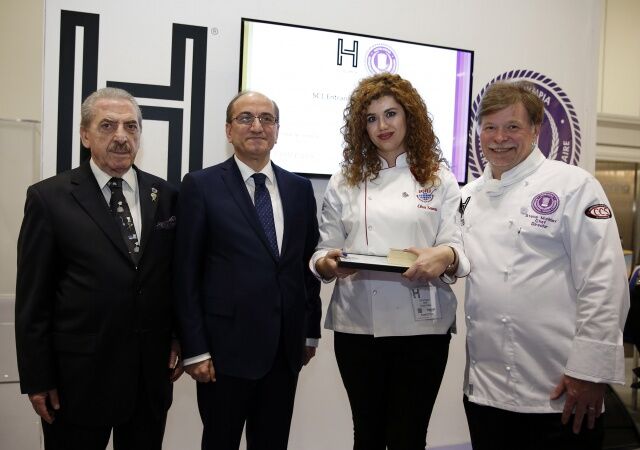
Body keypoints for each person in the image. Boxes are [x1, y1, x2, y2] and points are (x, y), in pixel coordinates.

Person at [460, 80, 630, 450]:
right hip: (485, 392)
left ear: (536, 129)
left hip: (561, 392)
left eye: (512, 127)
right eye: (489, 127)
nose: (499, 138)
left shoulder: (573, 185)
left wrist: (590, 371)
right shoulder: (467, 197)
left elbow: (605, 281)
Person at [15, 87, 183, 450]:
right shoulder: (49, 198)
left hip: (148, 380)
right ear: (85, 134)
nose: (121, 136)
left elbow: (172, 279)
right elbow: (33, 299)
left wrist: (177, 337)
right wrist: (37, 377)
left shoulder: (167, 196)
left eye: (131, 126)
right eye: (107, 125)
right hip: (77, 381)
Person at [311, 73, 470, 450]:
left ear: (409, 117)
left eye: (391, 114)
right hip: (358, 325)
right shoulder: (344, 180)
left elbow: (456, 247)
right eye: (371, 118)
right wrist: (328, 264)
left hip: (423, 328)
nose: (382, 125)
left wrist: (445, 256)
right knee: (366, 434)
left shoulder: (440, 179)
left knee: (409, 437)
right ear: (361, 128)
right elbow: (323, 250)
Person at [173, 91, 321, 450]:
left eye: (266, 119)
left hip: (284, 351)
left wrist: (309, 332)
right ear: (228, 130)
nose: (257, 126)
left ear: (277, 131)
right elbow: (185, 273)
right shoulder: (201, 186)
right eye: (245, 118)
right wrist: (195, 349)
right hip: (223, 353)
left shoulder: (299, 189)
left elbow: (306, 266)